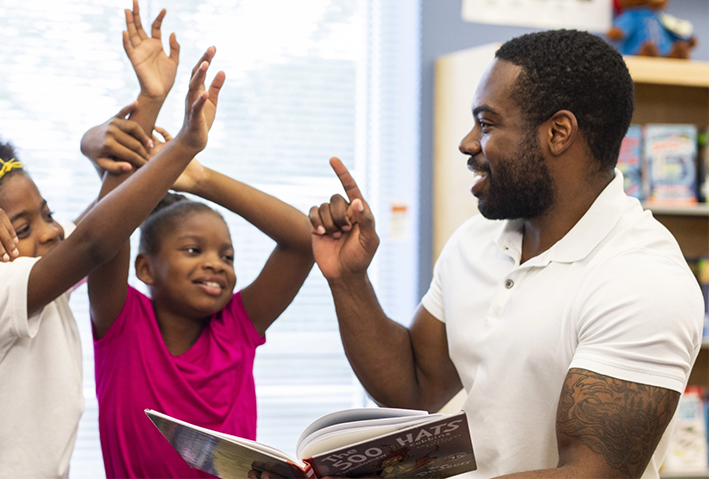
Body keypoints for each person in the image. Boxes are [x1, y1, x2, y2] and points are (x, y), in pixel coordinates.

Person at [262, 29, 704, 479]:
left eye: (487, 123)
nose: (468, 143)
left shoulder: (644, 278)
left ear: (558, 133)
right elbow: (414, 387)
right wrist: (348, 280)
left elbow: (591, 473)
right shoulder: (475, 241)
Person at [0, 50, 224, 478]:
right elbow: (95, 242)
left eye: (47, 213)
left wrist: (149, 98)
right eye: (22, 229)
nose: (50, 231)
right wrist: (183, 148)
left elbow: (105, 216)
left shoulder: (34, 280)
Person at [77, 2, 315, 479]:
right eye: (194, 250)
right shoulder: (122, 324)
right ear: (144, 269)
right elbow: (104, 234)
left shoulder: (236, 329)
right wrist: (151, 98)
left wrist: (202, 178)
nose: (217, 265)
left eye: (227, 255)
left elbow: (304, 243)